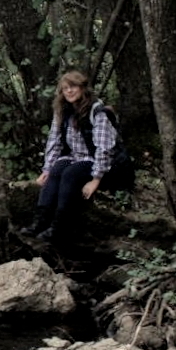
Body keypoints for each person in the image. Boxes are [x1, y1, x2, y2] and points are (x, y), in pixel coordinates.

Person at [26, 70, 131, 242]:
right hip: (74, 156)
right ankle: (40, 222)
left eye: (73, 87)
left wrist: (95, 180)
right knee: (57, 171)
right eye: (65, 88)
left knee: (70, 174)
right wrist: (47, 169)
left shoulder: (97, 112)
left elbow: (104, 148)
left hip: (99, 161)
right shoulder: (63, 110)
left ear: (82, 88)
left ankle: (58, 228)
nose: (69, 91)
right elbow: (54, 141)